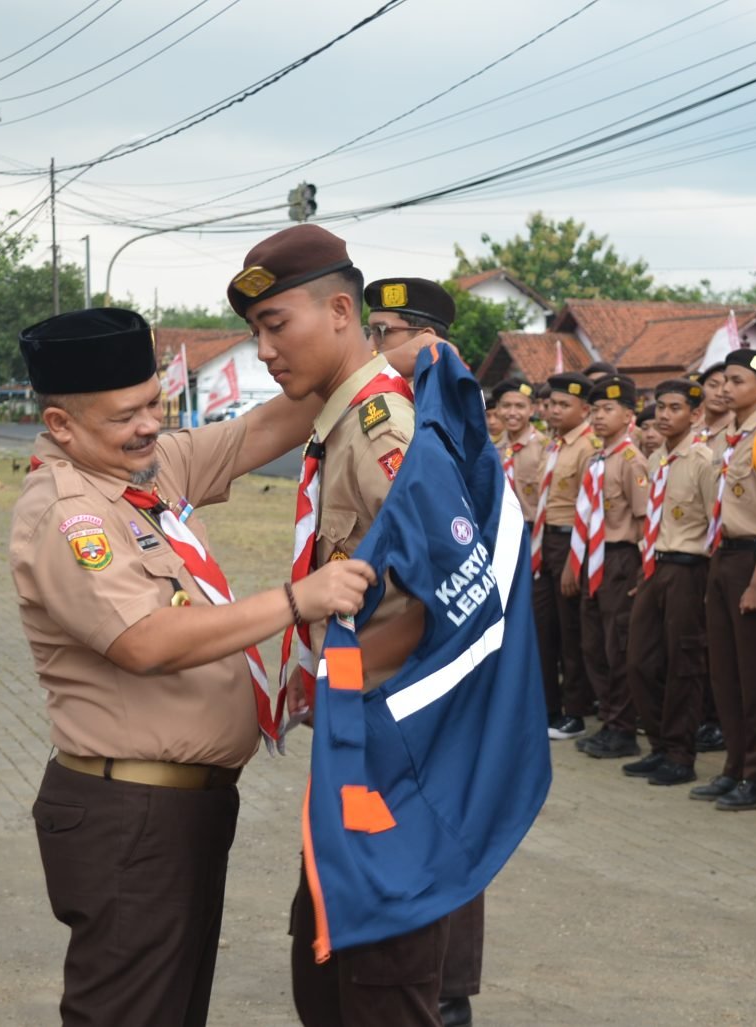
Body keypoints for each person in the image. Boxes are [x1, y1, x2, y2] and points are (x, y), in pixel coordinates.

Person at [10, 306, 373, 1026]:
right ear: (61, 426)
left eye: (154, 403)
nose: (150, 425)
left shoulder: (146, 468)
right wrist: (297, 599)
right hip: (130, 817)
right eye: (126, 415)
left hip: (183, 808)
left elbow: (266, 428)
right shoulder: (69, 512)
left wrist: (365, 359)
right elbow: (147, 640)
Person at [227, 228, 455, 1027]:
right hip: (359, 738)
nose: (264, 349)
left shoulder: (383, 425)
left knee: (378, 979)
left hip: (386, 745)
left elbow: (447, 597)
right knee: (328, 964)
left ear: (337, 309)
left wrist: (344, 689)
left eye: (276, 324)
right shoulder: (344, 419)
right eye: (256, 331)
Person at [362, 275, 483, 1027]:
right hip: (414, 658)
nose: (376, 348)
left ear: (427, 339)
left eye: (386, 333)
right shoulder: (422, 407)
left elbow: (439, 552)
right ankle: (438, 982)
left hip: (425, 659)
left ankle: (444, 989)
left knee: (440, 820)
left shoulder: (418, 418)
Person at [696, 348, 756, 811]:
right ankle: (733, 765)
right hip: (723, 556)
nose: (726, 389)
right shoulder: (727, 438)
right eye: (723, 381)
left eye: (736, 381)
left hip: (754, 559)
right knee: (726, 671)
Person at [624, 378, 721, 784]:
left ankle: (681, 754)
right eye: (660, 406)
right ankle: (660, 744)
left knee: (683, 662)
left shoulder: (703, 460)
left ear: (696, 414)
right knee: (640, 660)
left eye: (675, 408)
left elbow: (716, 526)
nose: (664, 415)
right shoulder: (656, 458)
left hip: (689, 568)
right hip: (655, 566)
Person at [571, 375, 649, 760]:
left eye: (608, 409)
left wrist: (640, 573)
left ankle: (622, 728)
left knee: (618, 645)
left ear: (629, 415)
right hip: (593, 557)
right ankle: (608, 718)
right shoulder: (597, 458)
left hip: (620, 558)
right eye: (596, 409)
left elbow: (644, 521)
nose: (599, 417)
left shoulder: (633, 462)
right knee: (594, 644)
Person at [532, 372, 600, 741]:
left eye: (563, 405)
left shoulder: (588, 447)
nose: (554, 411)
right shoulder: (554, 444)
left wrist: (576, 561)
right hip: (545, 542)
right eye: (551, 404)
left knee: (570, 630)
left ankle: (575, 709)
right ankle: (548, 706)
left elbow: (588, 509)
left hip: (572, 541)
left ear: (584, 409)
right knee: (544, 628)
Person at [492, 379, 548, 528]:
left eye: (520, 406)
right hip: (498, 525)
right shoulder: (492, 448)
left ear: (532, 409)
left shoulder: (545, 448)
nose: (512, 413)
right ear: (497, 409)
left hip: (531, 526)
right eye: (506, 406)